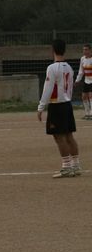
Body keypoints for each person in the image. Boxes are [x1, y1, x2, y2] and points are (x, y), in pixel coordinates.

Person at [37, 39, 81, 178]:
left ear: (53, 50)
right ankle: (76, 166)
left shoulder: (52, 68)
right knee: (69, 136)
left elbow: (48, 88)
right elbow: (70, 87)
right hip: (67, 104)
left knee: (59, 136)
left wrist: (41, 106)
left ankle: (66, 167)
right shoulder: (69, 67)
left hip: (57, 105)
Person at [78, 44, 92, 119]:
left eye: (86, 49)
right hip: (86, 80)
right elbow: (81, 71)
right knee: (83, 96)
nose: (84, 51)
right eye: (83, 50)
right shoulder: (82, 59)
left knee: (91, 96)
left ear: (90, 50)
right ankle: (87, 113)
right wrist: (77, 80)